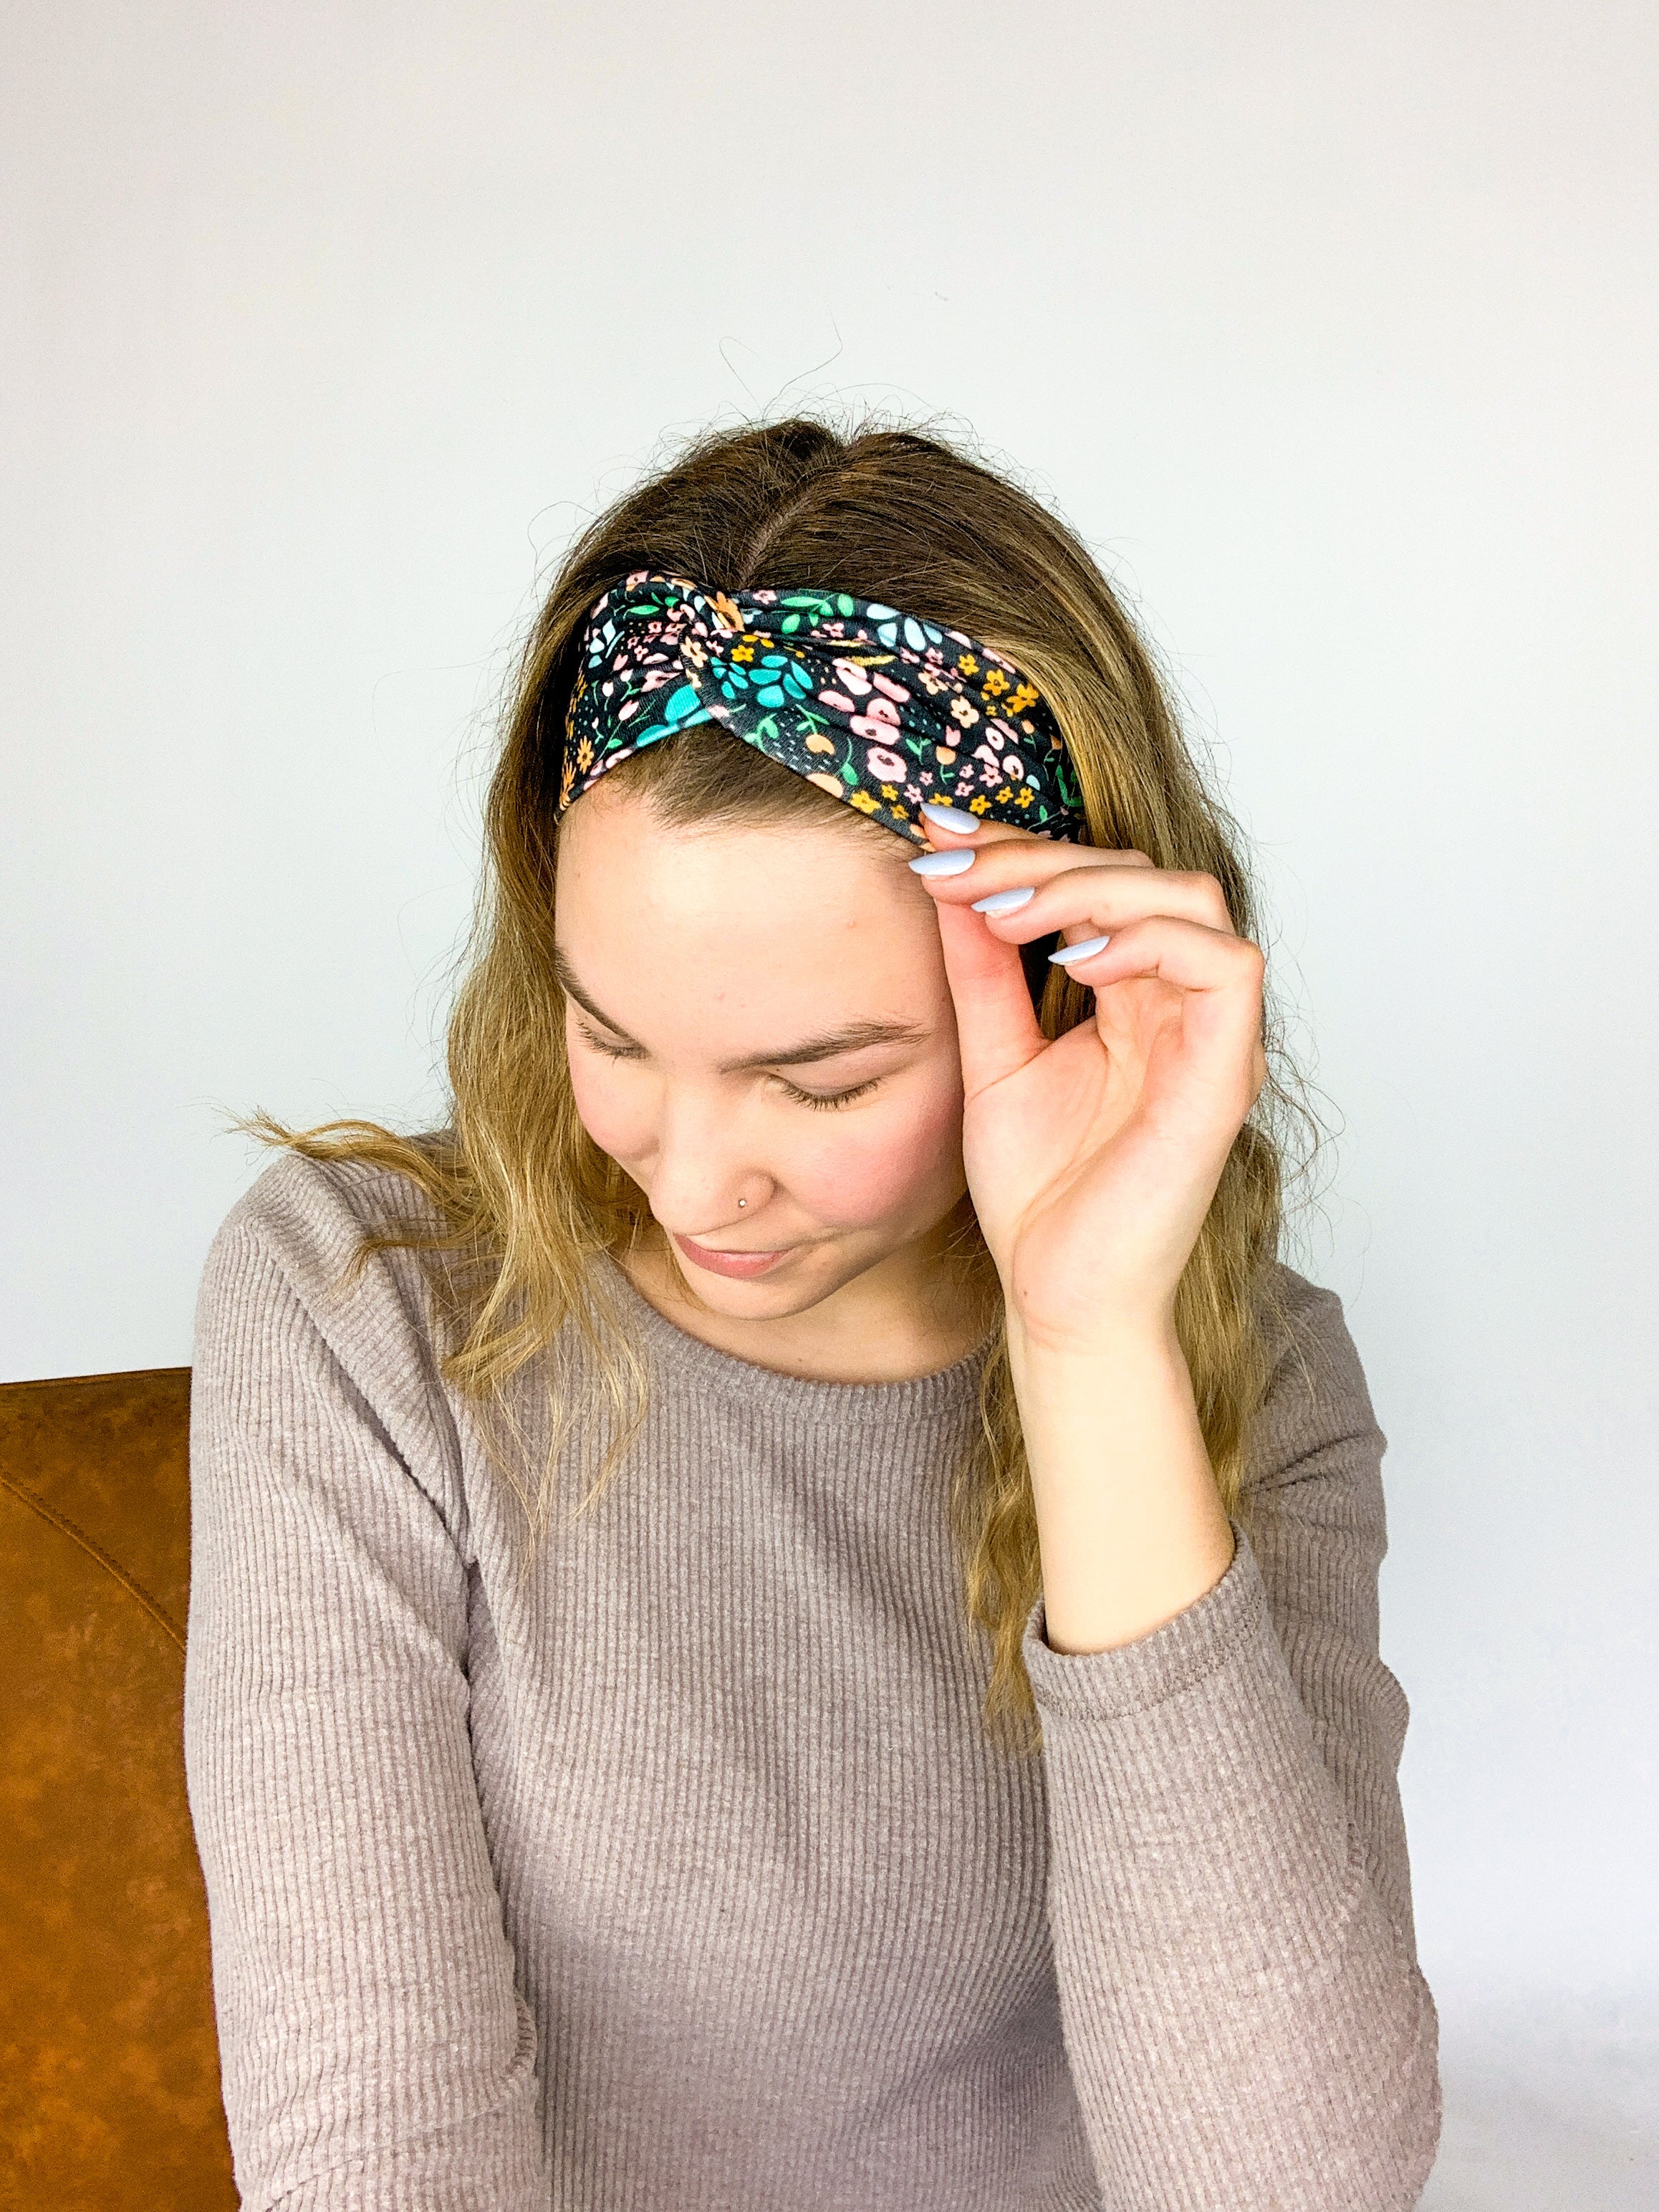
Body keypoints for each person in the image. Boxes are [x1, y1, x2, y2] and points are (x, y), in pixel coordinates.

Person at [183, 413, 1442, 2211]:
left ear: (1071, 1007)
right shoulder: (358, 1301)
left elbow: (1294, 2183)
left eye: (822, 1084)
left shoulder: (1251, 1374)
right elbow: (369, 2146)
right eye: (610, 1032)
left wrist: (1089, 1347)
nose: (689, 1183)